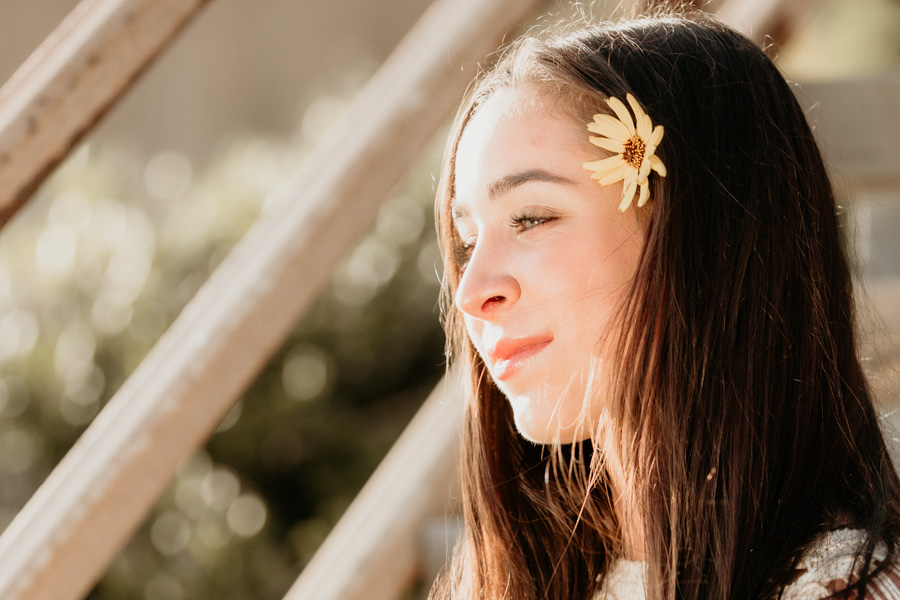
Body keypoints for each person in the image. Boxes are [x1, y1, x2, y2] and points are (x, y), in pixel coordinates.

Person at [430, 9, 900, 600]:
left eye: (532, 218)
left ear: (704, 239)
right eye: (467, 241)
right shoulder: (522, 580)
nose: (472, 292)